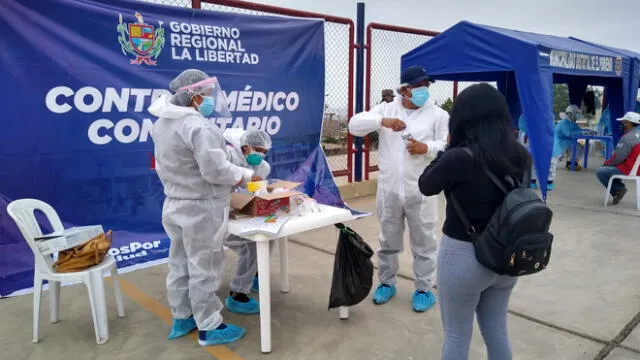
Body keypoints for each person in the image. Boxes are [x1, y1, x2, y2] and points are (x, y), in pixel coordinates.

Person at [418, 83, 531, 359]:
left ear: (462, 120)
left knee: (457, 335)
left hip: (463, 257)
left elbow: (426, 184)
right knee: (497, 332)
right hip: (506, 257)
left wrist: (447, 147)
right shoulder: (521, 156)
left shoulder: (458, 158)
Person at [149, 69, 261, 346]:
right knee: (205, 265)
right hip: (202, 207)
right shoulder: (198, 126)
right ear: (194, 96)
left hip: (174, 203)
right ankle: (210, 326)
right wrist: (247, 175)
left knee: (179, 263)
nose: (209, 100)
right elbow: (215, 171)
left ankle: (183, 316)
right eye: (206, 95)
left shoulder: (162, 123)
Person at [348, 65, 448, 312]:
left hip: (422, 190)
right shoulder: (387, 110)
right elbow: (354, 125)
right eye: (419, 85)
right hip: (390, 189)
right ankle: (387, 283)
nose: (424, 90)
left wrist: (426, 148)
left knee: (424, 242)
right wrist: (383, 120)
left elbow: (447, 145)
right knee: (388, 240)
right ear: (404, 89)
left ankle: (424, 288)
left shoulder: (437, 115)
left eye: (427, 85)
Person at [222, 128, 273, 314]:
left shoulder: (263, 167)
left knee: (268, 236)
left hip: (240, 212)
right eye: (258, 150)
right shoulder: (228, 157)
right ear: (245, 147)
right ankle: (238, 293)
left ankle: (253, 275)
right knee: (251, 245)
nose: (261, 155)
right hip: (218, 214)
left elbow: (256, 193)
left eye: (265, 152)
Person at [531, 105, 585, 190]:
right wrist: (581, 131)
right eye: (576, 113)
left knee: (544, 164)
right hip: (554, 146)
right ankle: (539, 182)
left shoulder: (570, 123)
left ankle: (544, 182)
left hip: (555, 145)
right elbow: (569, 134)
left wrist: (582, 131)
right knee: (547, 164)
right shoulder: (564, 123)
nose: (578, 115)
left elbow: (576, 131)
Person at [597, 111, 640, 204]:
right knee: (611, 169)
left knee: (601, 171)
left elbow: (618, 158)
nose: (622, 124)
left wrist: (606, 163)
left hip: (629, 168)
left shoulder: (627, 138)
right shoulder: (637, 134)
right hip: (637, 168)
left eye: (624, 122)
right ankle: (620, 188)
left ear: (629, 123)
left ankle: (618, 190)